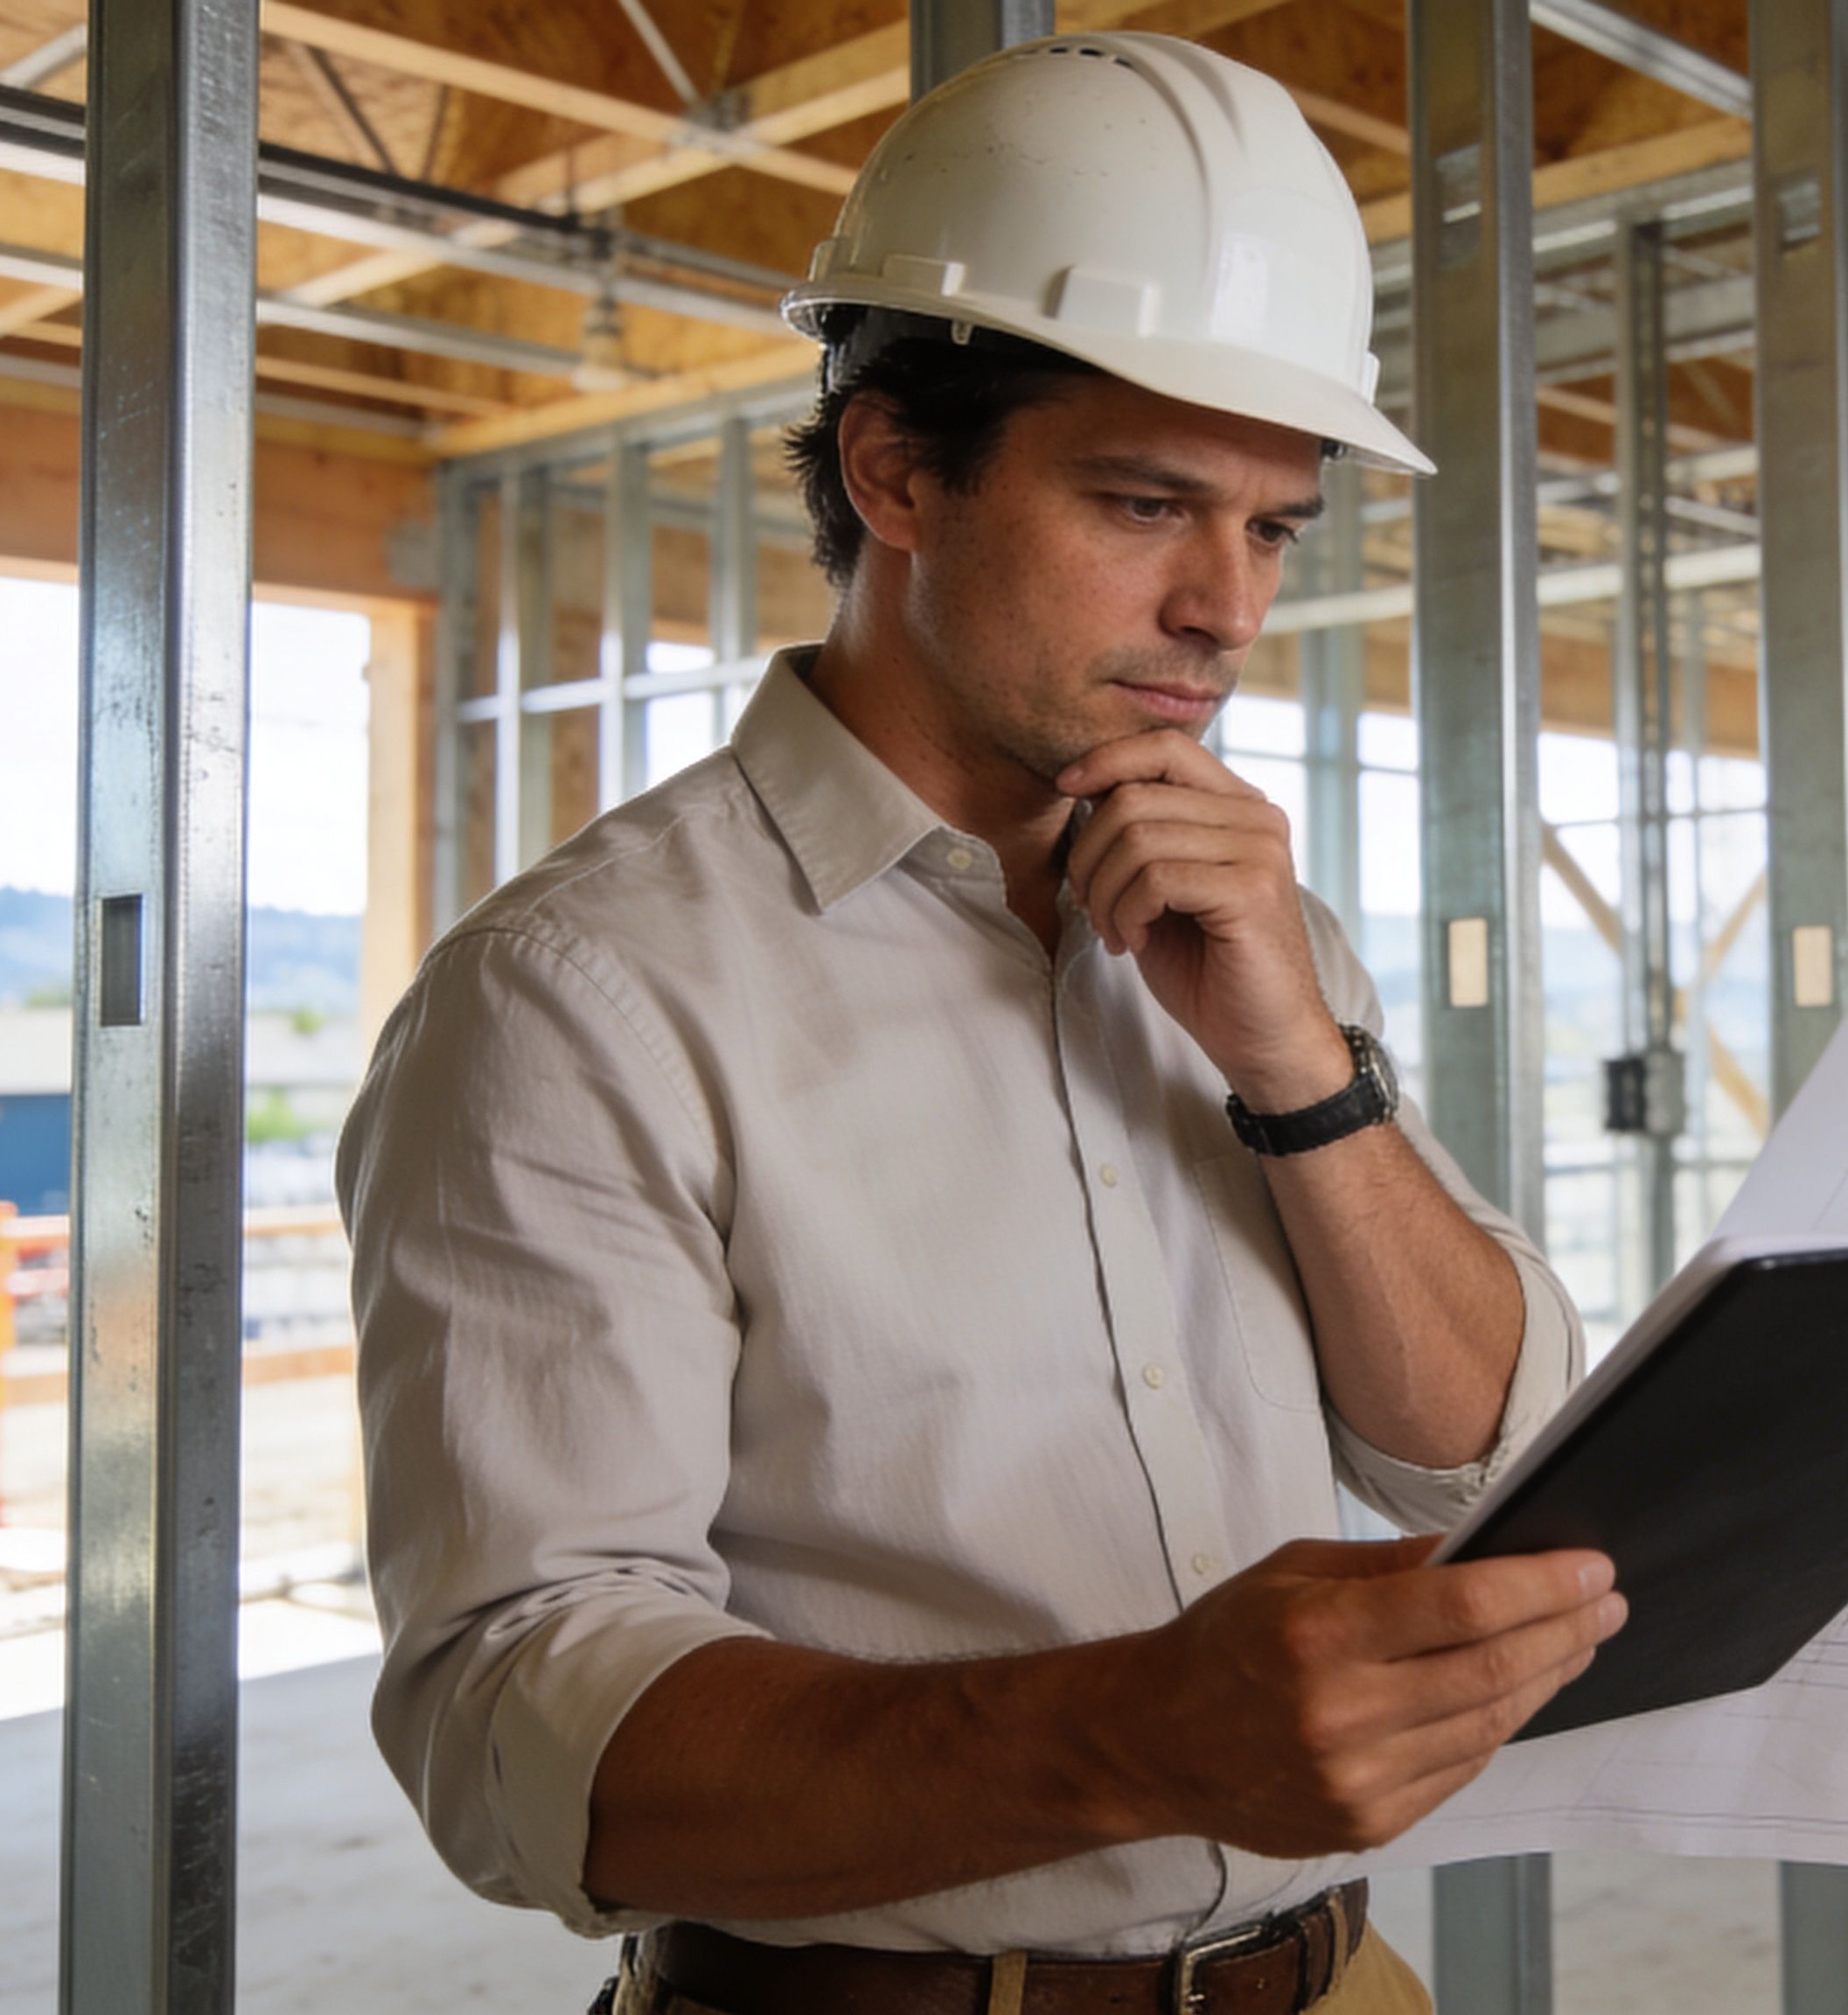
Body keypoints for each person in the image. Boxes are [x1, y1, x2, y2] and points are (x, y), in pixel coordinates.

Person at [336, 32, 1621, 2015]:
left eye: (1270, 528)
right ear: (895, 470)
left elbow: (1495, 1466)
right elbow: (518, 1733)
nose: (1224, 607)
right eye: (1142, 505)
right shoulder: (583, 999)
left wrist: (1296, 1074)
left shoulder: (1257, 936)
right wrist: (1133, 1734)